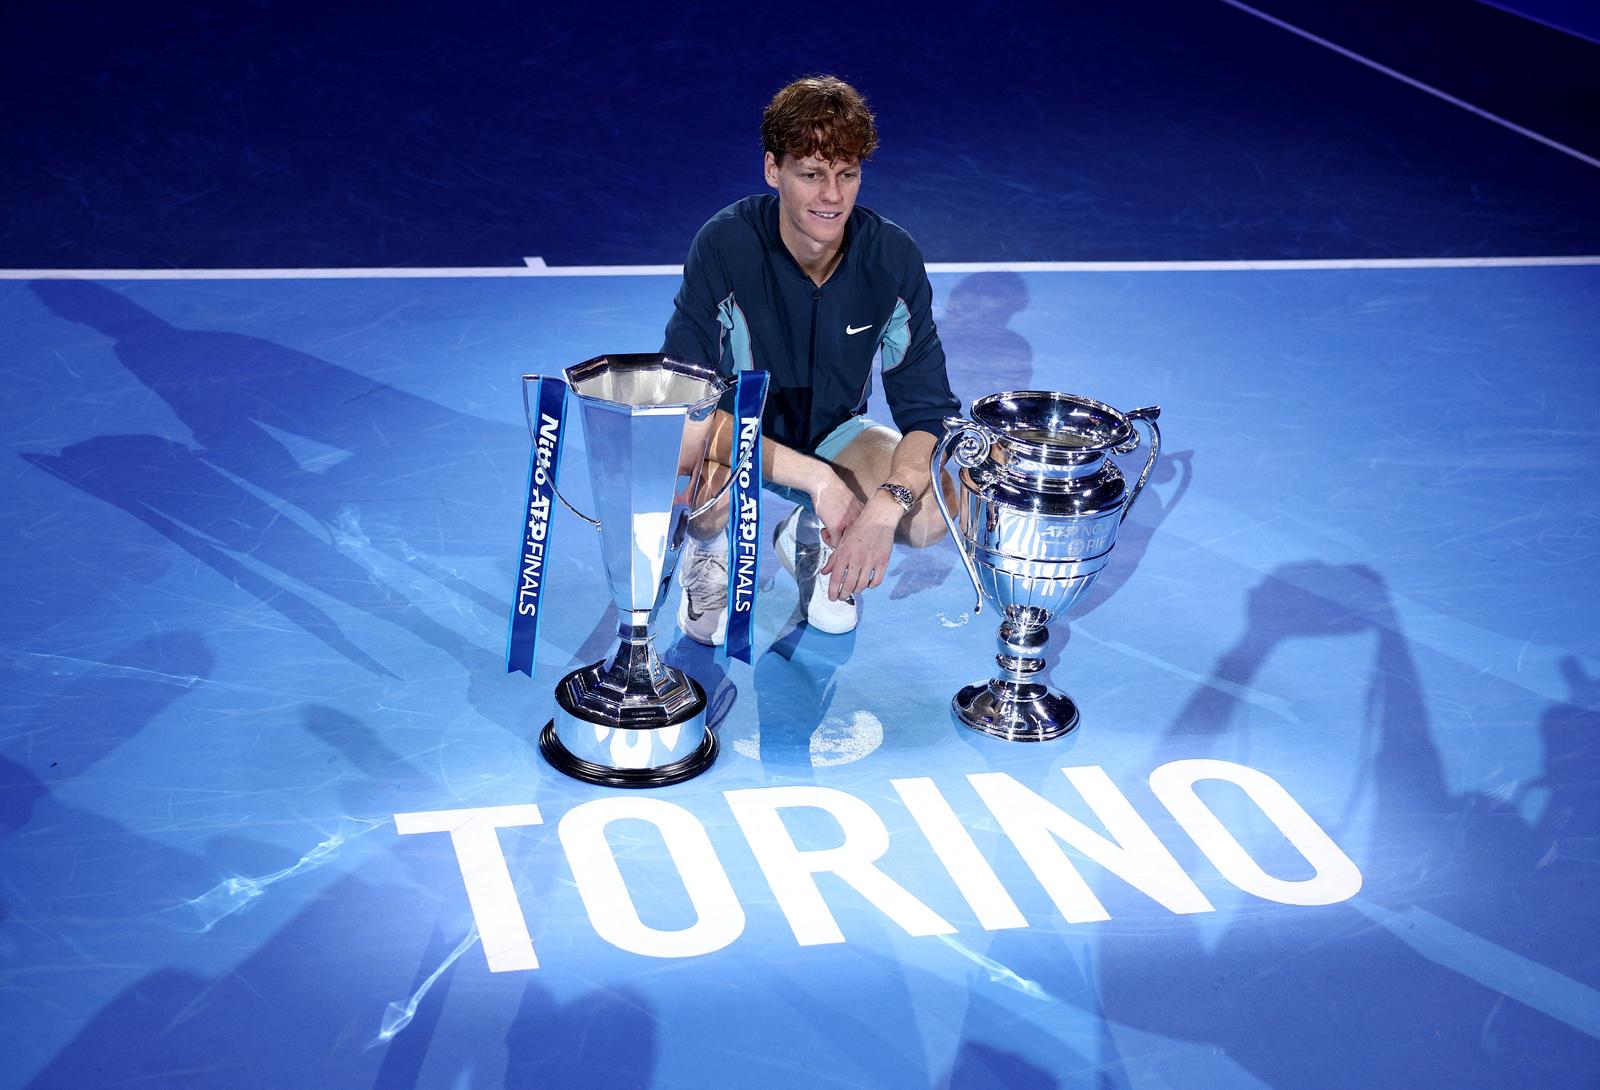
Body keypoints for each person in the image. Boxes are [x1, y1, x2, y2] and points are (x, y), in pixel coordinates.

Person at [661, 74, 960, 644]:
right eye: (812, 174)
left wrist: (883, 507)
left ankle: (815, 539)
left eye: (847, 175)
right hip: (736, 434)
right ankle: (708, 554)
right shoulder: (724, 245)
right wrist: (819, 479)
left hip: (835, 431)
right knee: (693, 475)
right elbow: (683, 412)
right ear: (772, 169)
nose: (832, 196)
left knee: (928, 513)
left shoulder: (891, 257)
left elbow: (928, 415)